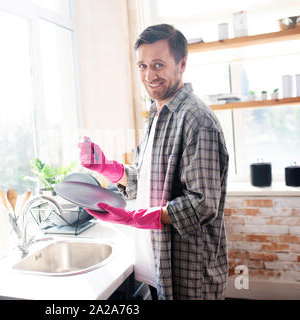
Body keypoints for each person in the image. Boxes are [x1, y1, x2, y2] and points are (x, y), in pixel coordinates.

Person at [78, 24, 229, 300]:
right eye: (142, 66)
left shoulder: (197, 121)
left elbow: (202, 205)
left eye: (158, 65)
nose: (149, 75)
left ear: (182, 64)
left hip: (189, 272)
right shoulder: (158, 114)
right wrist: (108, 168)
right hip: (157, 261)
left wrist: (134, 218)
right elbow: (146, 180)